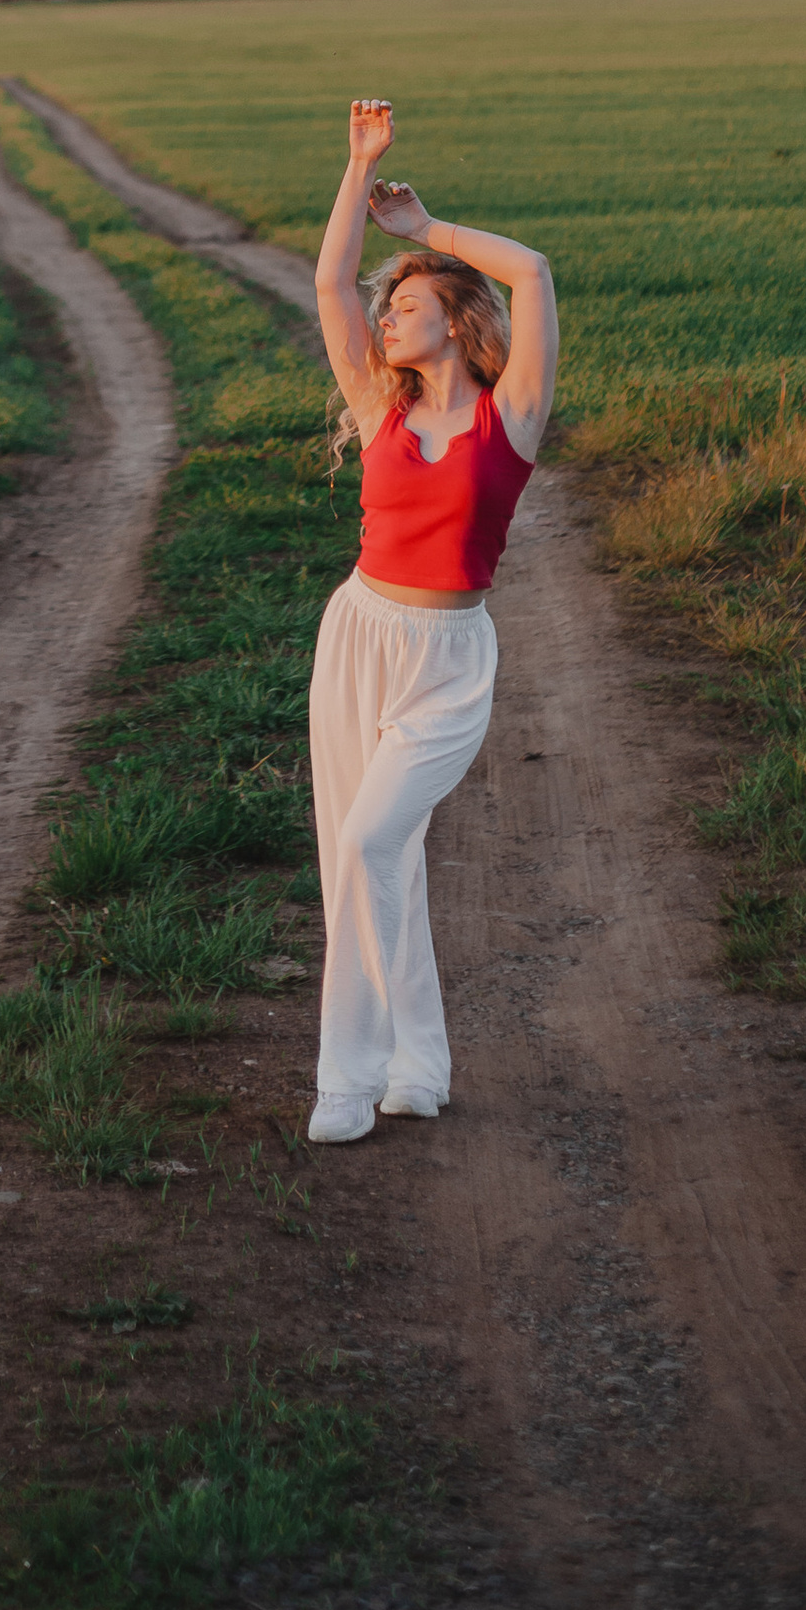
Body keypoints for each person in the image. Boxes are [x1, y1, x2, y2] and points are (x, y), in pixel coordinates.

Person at [304, 95, 558, 1142]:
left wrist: (425, 230)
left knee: (373, 841)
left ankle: (346, 1078)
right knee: (367, 854)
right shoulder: (381, 410)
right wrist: (358, 165)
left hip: (449, 662)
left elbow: (531, 271)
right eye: (388, 305)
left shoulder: (512, 418)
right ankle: (417, 1064)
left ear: (453, 320)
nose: (385, 317)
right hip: (359, 635)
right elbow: (329, 284)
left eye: (405, 304)